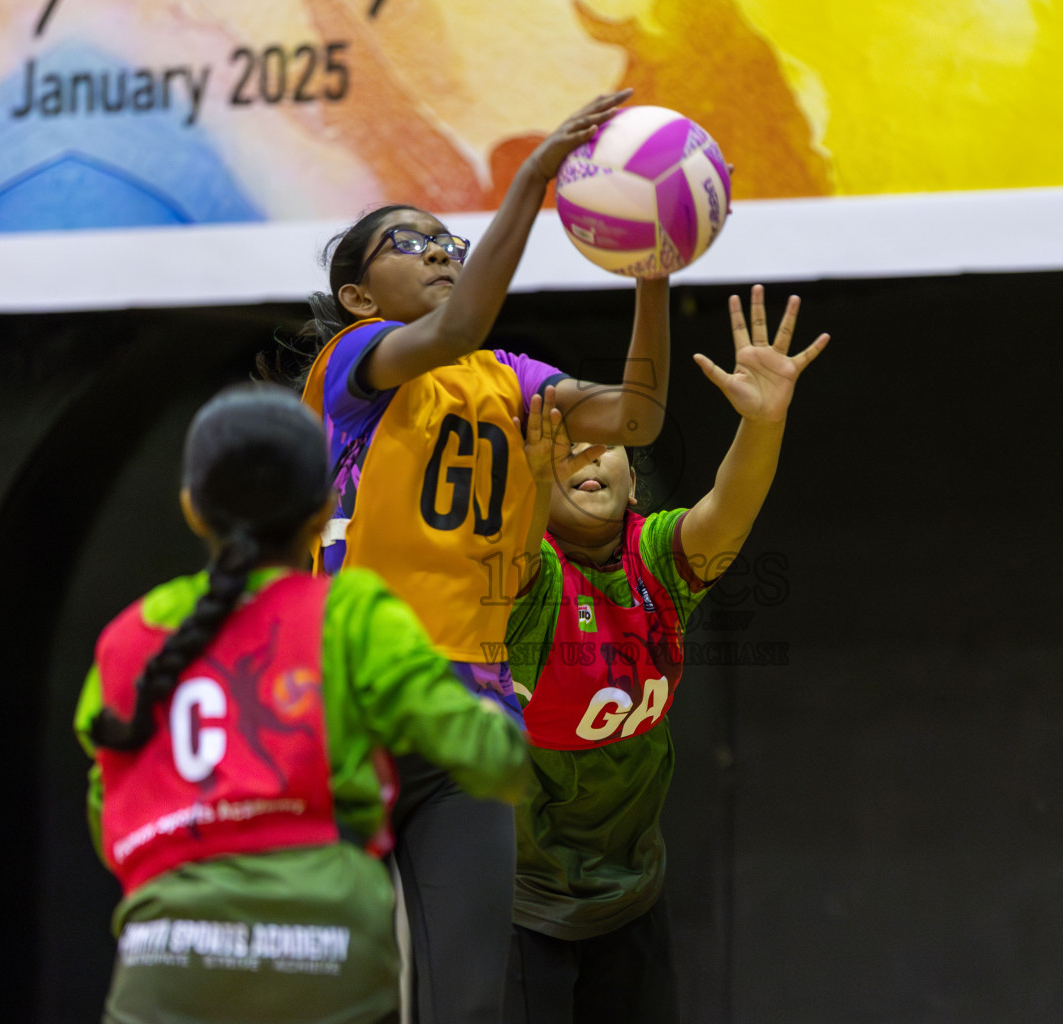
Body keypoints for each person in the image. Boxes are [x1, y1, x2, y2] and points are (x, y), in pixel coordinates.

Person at [286, 89, 672, 1023]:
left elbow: (637, 417)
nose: (440, 253)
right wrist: (534, 178)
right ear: (356, 295)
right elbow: (455, 327)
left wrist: (653, 277)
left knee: (467, 1006)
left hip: (472, 711)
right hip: (354, 698)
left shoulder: (513, 379)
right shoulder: (355, 362)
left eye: (449, 243)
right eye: (410, 243)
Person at [73, 385, 528, 1024]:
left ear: (191, 510)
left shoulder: (130, 635)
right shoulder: (353, 614)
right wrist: (489, 715)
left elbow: (106, 811)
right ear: (326, 509)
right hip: (328, 958)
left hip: (166, 964)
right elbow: (492, 765)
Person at [504, 285, 829, 1023]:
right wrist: (523, 474)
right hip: (523, 900)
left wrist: (763, 423)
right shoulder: (527, 573)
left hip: (631, 891)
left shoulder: (657, 555)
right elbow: (518, 544)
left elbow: (731, 507)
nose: (592, 454)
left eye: (607, 443)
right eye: (567, 447)